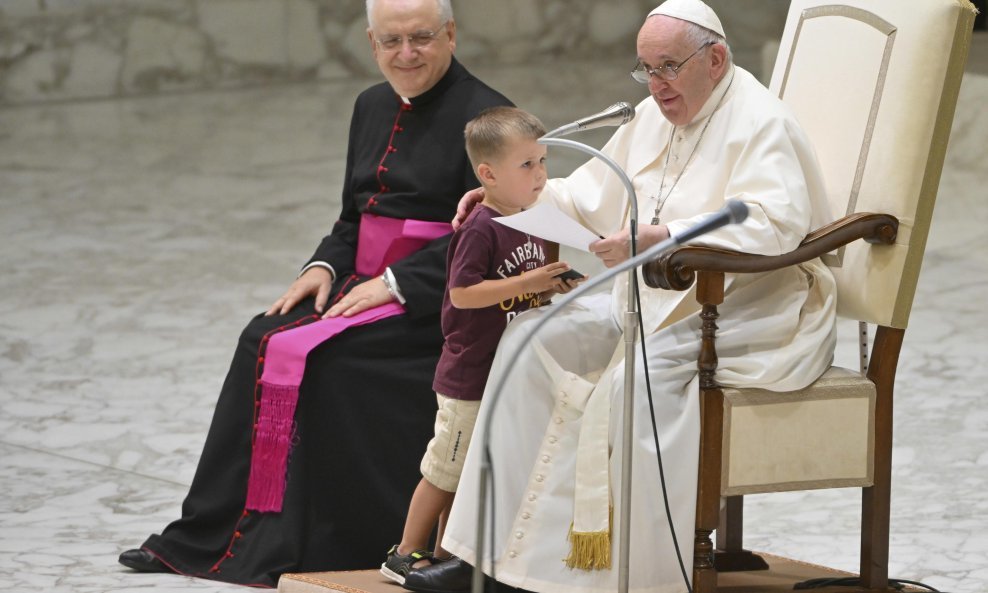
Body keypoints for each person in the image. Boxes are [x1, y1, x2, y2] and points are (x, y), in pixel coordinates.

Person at [402, 1, 836, 592]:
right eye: (645, 69)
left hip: (741, 305)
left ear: (716, 58)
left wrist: (668, 239)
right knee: (529, 337)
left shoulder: (761, 123)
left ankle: (627, 575)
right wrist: (513, 202)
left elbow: (774, 224)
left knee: (634, 386)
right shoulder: (660, 115)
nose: (655, 87)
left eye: (667, 68)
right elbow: (587, 194)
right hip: (650, 298)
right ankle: (489, 561)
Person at [116, 0, 512, 587]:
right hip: (359, 283)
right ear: (372, 43)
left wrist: (398, 283)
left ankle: (318, 537)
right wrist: (324, 262)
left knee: (326, 358)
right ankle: (212, 532)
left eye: (422, 38)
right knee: (260, 336)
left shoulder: (488, 117)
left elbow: (495, 231)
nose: (407, 54)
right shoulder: (370, 104)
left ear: (451, 34)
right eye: (392, 41)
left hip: (439, 304)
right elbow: (356, 213)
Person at [381, 106, 584, 585]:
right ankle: (404, 553)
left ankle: (446, 556)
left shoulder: (532, 218)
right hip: (469, 373)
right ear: (488, 174)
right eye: (527, 165)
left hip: (505, 369)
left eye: (542, 161)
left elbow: (526, 282)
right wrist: (529, 281)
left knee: (469, 472)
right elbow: (462, 294)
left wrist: (555, 282)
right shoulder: (481, 228)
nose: (541, 175)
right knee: (445, 469)